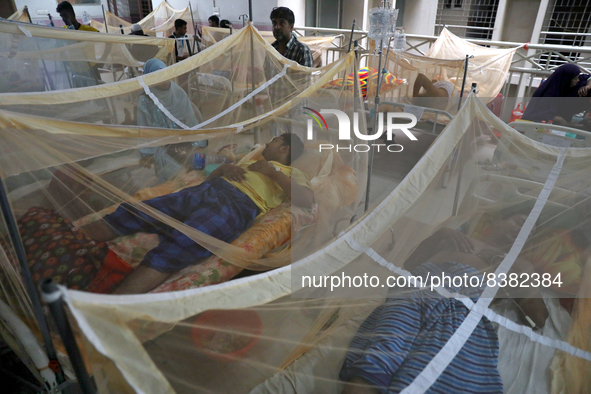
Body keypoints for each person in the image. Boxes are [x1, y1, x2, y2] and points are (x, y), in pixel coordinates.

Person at [340, 208, 548, 394]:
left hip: (459, 307)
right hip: (416, 288)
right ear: (497, 222)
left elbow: (537, 320)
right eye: (521, 223)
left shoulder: (518, 265)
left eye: (530, 233)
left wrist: (516, 271)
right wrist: (439, 235)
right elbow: (409, 264)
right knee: (383, 348)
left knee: (432, 365)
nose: (524, 231)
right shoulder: (458, 238)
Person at [81, 133, 314, 294]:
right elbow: (209, 175)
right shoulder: (251, 161)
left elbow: (306, 200)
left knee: (179, 245)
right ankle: (72, 239)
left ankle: (113, 303)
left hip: (235, 206)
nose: (267, 144)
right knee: (138, 212)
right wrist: (224, 169)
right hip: (206, 190)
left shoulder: (291, 173)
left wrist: (274, 174)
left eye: (273, 141)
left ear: (284, 148)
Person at [135, 59, 206, 181]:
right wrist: (147, 154)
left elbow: (190, 120)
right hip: (161, 142)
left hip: (183, 136)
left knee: (200, 165)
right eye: (159, 77)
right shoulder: (145, 100)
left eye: (166, 75)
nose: (164, 81)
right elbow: (144, 128)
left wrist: (197, 143)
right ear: (151, 78)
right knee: (179, 178)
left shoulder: (178, 92)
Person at [522, 64, 591, 124]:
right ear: (566, 80)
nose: (578, 80)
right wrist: (560, 119)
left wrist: (588, 86)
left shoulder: (571, 85)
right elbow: (537, 113)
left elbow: (588, 77)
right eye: (575, 79)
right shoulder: (548, 94)